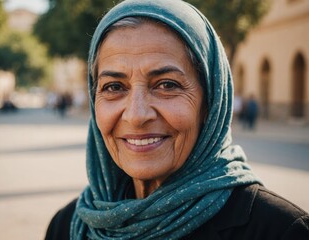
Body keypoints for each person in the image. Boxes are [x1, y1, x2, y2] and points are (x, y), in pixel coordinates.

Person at [45, 0, 309, 239]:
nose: (136, 115)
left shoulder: (280, 231)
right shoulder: (69, 226)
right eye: (114, 87)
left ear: (210, 102)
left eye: (167, 85)